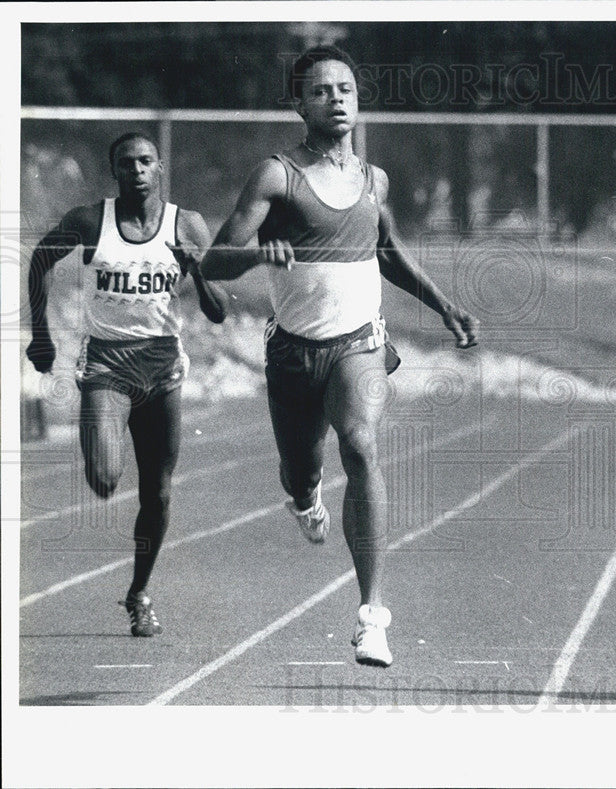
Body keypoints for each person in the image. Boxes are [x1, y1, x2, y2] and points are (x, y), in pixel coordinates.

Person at [200, 46, 479, 668]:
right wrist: (256, 255)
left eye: (345, 87)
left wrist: (443, 306)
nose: (336, 98)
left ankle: (371, 616)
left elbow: (387, 250)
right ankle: (304, 499)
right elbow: (214, 261)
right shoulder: (277, 175)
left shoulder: (372, 179)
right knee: (301, 469)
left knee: (361, 445)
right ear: (298, 103)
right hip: (294, 354)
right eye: (321, 90)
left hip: (360, 343)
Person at [26, 132, 228, 636]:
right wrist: (41, 336)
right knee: (104, 479)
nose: (137, 170)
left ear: (160, 168)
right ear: (114, 171)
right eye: (126, 163)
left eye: (145, 162)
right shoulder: (90, 221)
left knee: (157, 494)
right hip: (107, 367)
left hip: (162, 369)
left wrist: (196, 269)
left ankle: (138, 592)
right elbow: (40, 261)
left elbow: (219, 311)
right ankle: (102, 442)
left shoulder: (189, 224)